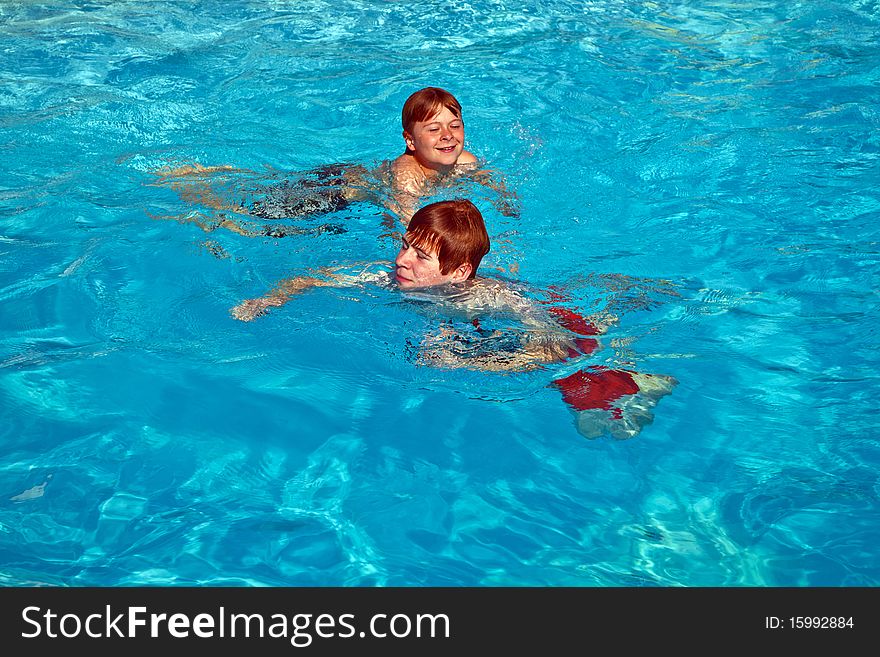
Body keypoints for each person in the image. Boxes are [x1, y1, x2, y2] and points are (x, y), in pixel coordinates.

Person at [231, 199, 676, 440]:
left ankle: (635, 380)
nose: (401, 260)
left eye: (419, 255)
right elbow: (318, 276)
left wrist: (468, 363)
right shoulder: (390, 277)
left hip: (548, 313)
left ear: (458, 271)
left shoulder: (488, 293)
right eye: (404, 245)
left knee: (571, 363)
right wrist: (268, 300)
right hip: (475, 324)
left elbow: (553, 341)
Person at [150, 87, 518, 238]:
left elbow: (490, 179)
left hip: (350, 183)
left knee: (265, 189)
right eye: (434, 129)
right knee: (256, 215)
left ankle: (207, 179)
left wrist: (505, 200)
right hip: (333, 191)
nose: (448, 136)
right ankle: (193, 188)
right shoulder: (408, 175)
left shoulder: (463, 160)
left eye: (455, 126)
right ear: (410, 141)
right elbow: (409, 224)